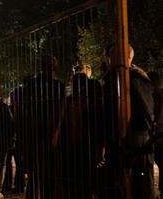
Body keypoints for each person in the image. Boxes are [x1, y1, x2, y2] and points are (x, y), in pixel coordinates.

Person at [102, 45, 156, 199]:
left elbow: (145, 112)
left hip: (132, 141)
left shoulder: (130, 79)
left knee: (137, 185)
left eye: (111, 56)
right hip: (135, 140)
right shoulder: (140, 78)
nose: (109, 59)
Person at [52, 63, 104, 198]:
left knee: (74, 182)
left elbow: (62, 123)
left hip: (72, 146)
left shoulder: (71, 101)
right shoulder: (92, 101)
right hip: (85, 146)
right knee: (84, 181)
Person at [22, 55, 65, 199]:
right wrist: (57, 131)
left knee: (35, 174)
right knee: (50, 173)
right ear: (54, 68)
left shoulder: (30, 86)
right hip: (51, 132)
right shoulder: (58, 86)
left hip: (33, 132)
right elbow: (61, 111)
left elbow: (24, 110)